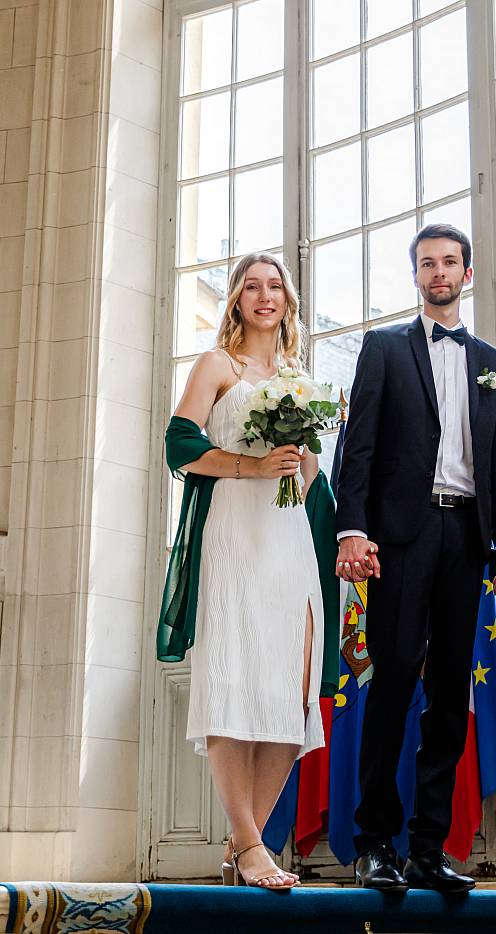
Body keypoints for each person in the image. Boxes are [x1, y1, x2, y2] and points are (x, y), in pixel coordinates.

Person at [334, 223, 496, 892]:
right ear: (415, 275)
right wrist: (350, 530)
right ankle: (374, 844)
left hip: (467, 540)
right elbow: (355, 449)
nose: (438, 272)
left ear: (467, 274)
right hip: (403, 537)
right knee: (390, 689)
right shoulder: (384, 349)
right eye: (426, 263)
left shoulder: (493, 362)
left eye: (449, 262)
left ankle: (427, 847)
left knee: (449, 695)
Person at [157, 252, 340, 890]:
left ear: (288, 301)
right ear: (236, 299)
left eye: (276, 287)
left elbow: (314, 481)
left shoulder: (298, 376)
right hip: (234, 532)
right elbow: (179, 444)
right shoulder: (217, 367)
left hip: (289, 540)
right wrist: (250, 466)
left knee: (290, 690)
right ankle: (254, 847)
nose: (265, 296)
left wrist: (302, 454)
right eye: (252, 286)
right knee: (235, 679)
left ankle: (245, 849)